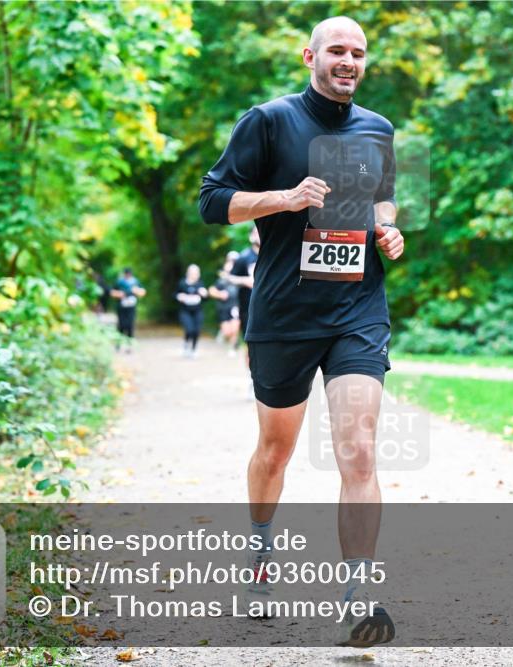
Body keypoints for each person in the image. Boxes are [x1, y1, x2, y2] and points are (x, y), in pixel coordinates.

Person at [198, 16, 404, 647]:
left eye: (359, 53)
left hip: (357, 310)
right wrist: (282, 199)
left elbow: (384, 195)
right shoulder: (268, 120)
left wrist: (387, 229)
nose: (349, 60)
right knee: (276, 451)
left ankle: (359, 596)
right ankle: (260, 559)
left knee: (360, 450)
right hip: (285, 314)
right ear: (310, 55)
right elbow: (212, 201)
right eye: (337, 50)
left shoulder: (378, 128)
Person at [209, 251, 241, 356]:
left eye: (234, 261)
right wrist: (220, 294)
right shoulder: (222, 278)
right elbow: (212, 290)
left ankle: (232, 348)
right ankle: (223, 333)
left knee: (235, 328)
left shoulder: (241, 275)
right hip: (223, 307)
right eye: (230, 260)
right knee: (228, 331)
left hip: (235, 305)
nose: (232, 263)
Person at [176, 264, 208, 358]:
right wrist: (179, 297)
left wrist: (205, 294)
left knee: (196, 330)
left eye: (196, 273)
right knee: (189, 329)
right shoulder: (182, 283)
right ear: (188, 273)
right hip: (185, 311)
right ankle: (186, 344)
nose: (195, 274)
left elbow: (206, 299)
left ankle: (193, 349)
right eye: (193, 272)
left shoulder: (200, 284)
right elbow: (175, 294)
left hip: (197, 310)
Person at [110, 268, 146, 347]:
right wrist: (120, 294)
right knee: (121, 325)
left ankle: (130, 344)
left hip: (131, 306)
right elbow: (112, 292)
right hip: (121, 306)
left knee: (130, 325)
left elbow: (143, 292)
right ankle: (118, 344)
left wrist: (136, 291)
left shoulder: (135, 282)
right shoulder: (119, 282)